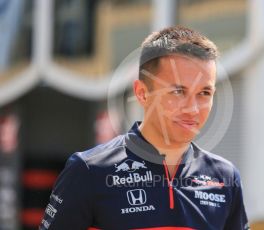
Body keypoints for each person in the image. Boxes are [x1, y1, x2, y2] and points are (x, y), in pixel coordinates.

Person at [40, 26, 249, 230]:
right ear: (142, 93)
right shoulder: (87, 170)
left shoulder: (225, 179)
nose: (193, 108)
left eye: (204, 93)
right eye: (178, 91)